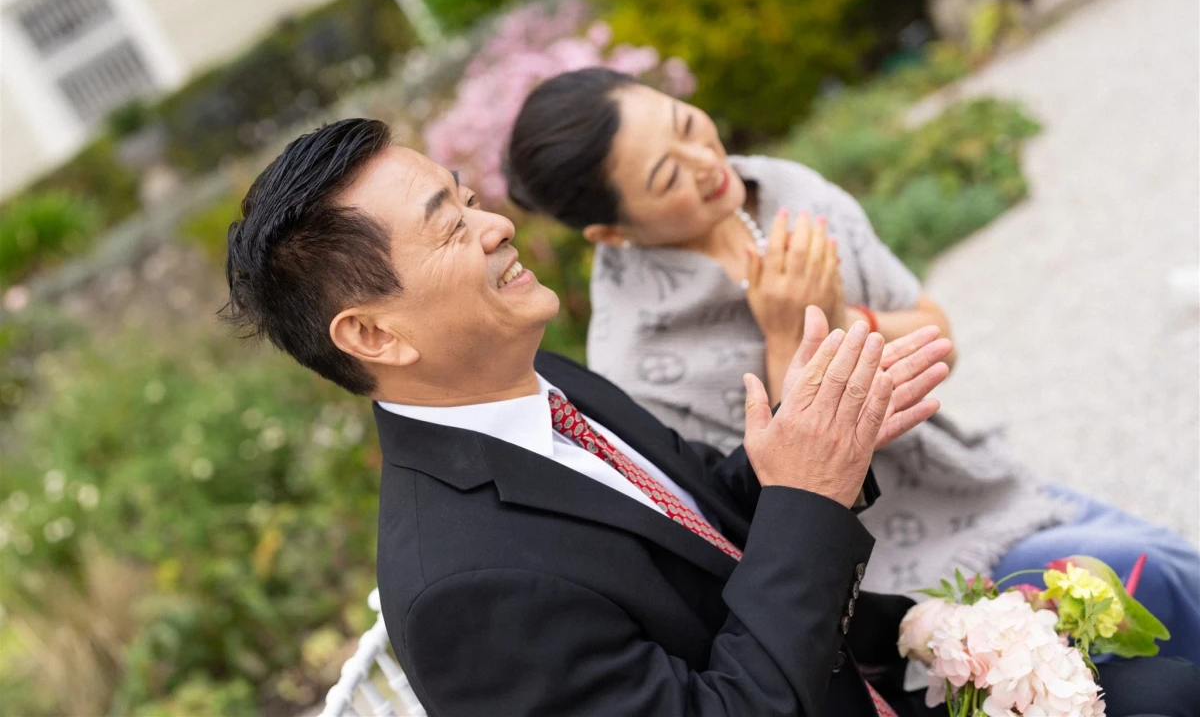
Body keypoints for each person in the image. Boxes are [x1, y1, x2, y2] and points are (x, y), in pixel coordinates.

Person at [222, 118, 1200, 716]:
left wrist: (822, 428)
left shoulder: (540, 379)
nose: (498, 225)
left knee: (1158, 664)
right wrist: (808, 491)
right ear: (374, 334)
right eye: (451, 226)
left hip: (861, 671)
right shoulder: (462, 590)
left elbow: (709, 518)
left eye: (469, 197)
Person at [505, 67, 1200, 664]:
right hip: (883, 579)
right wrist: (788, 342)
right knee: (1137, 580)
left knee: (1168, 560)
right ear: (612, 232)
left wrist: (843, 317)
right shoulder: (636, 356)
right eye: (667, 177)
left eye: (687, 124)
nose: (706, 162)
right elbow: (771, 523)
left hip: (964, 484)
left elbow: (937, 338)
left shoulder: (785, 190)